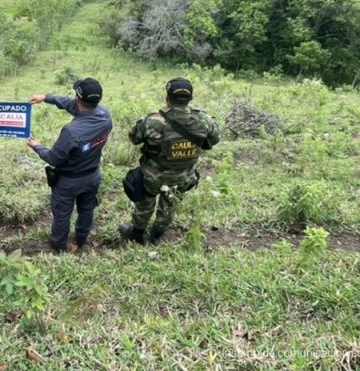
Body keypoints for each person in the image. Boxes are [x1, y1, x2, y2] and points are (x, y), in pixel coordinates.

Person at [119, 77, 221, 245]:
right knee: (170, 204)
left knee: (145, 203)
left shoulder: (153, 120)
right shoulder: (204, 120)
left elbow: (134, 138)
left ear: (167, 98)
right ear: (191, 98)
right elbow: (214, 140)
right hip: (184, 176)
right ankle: (157, 234)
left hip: (152, 176)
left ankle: (136, 234)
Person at [27, 78, 113, 253]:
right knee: (87, 210)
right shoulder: (105, 116)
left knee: (62, 215)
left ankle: (59, 245)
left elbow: (54, 158)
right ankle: (81, 239)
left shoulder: (71, 131)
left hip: (68, 181)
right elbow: (72, 104)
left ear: (78, 98)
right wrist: (46, 97)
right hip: (92, 175)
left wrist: (37, 147)